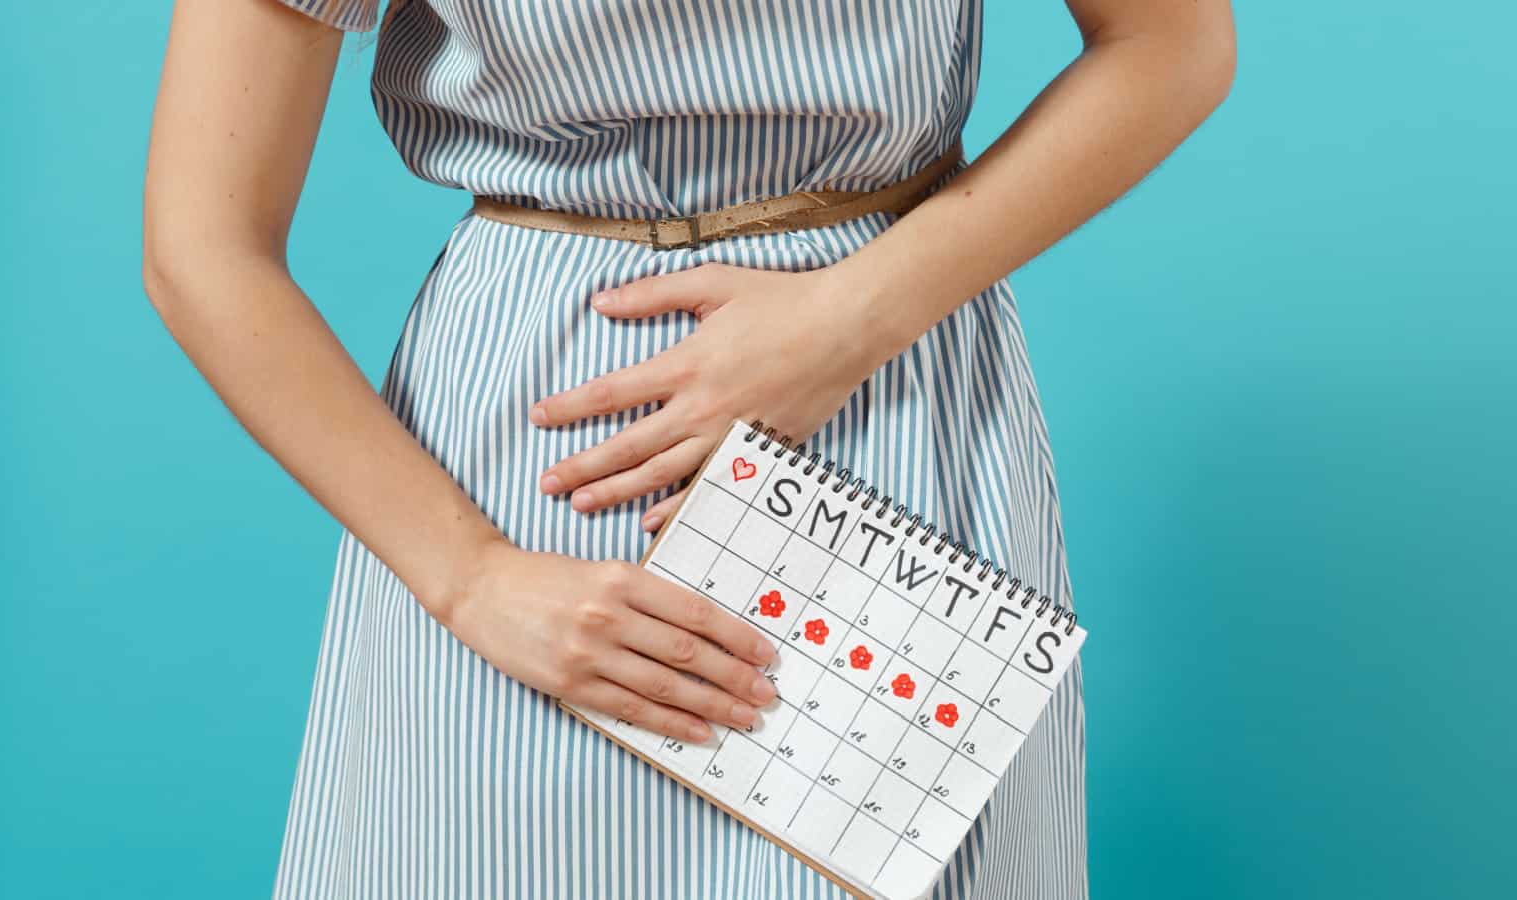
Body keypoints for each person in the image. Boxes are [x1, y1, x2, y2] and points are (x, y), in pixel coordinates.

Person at [141, 0, 1234, 896]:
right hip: (525, 466)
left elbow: (1170, 42)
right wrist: (469, 578)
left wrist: (852, 321)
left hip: (889, 387)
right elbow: (202, 241)